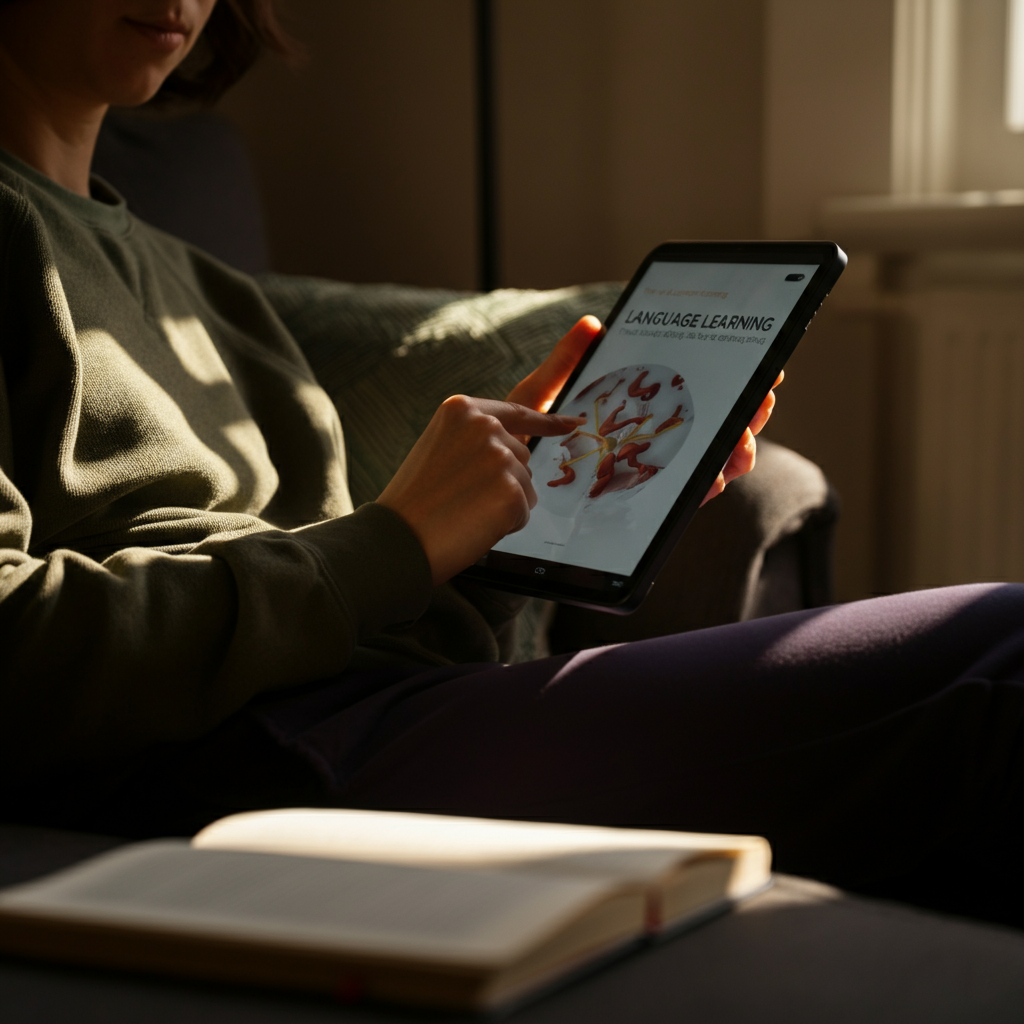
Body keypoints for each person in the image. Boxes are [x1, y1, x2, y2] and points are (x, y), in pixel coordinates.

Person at [1, 0, 1023, 929]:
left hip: (347, 718)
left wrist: (500, 535)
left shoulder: (210, 295)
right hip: (204, 769)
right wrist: (394, 541)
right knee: (996, 653)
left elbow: (356, 630)